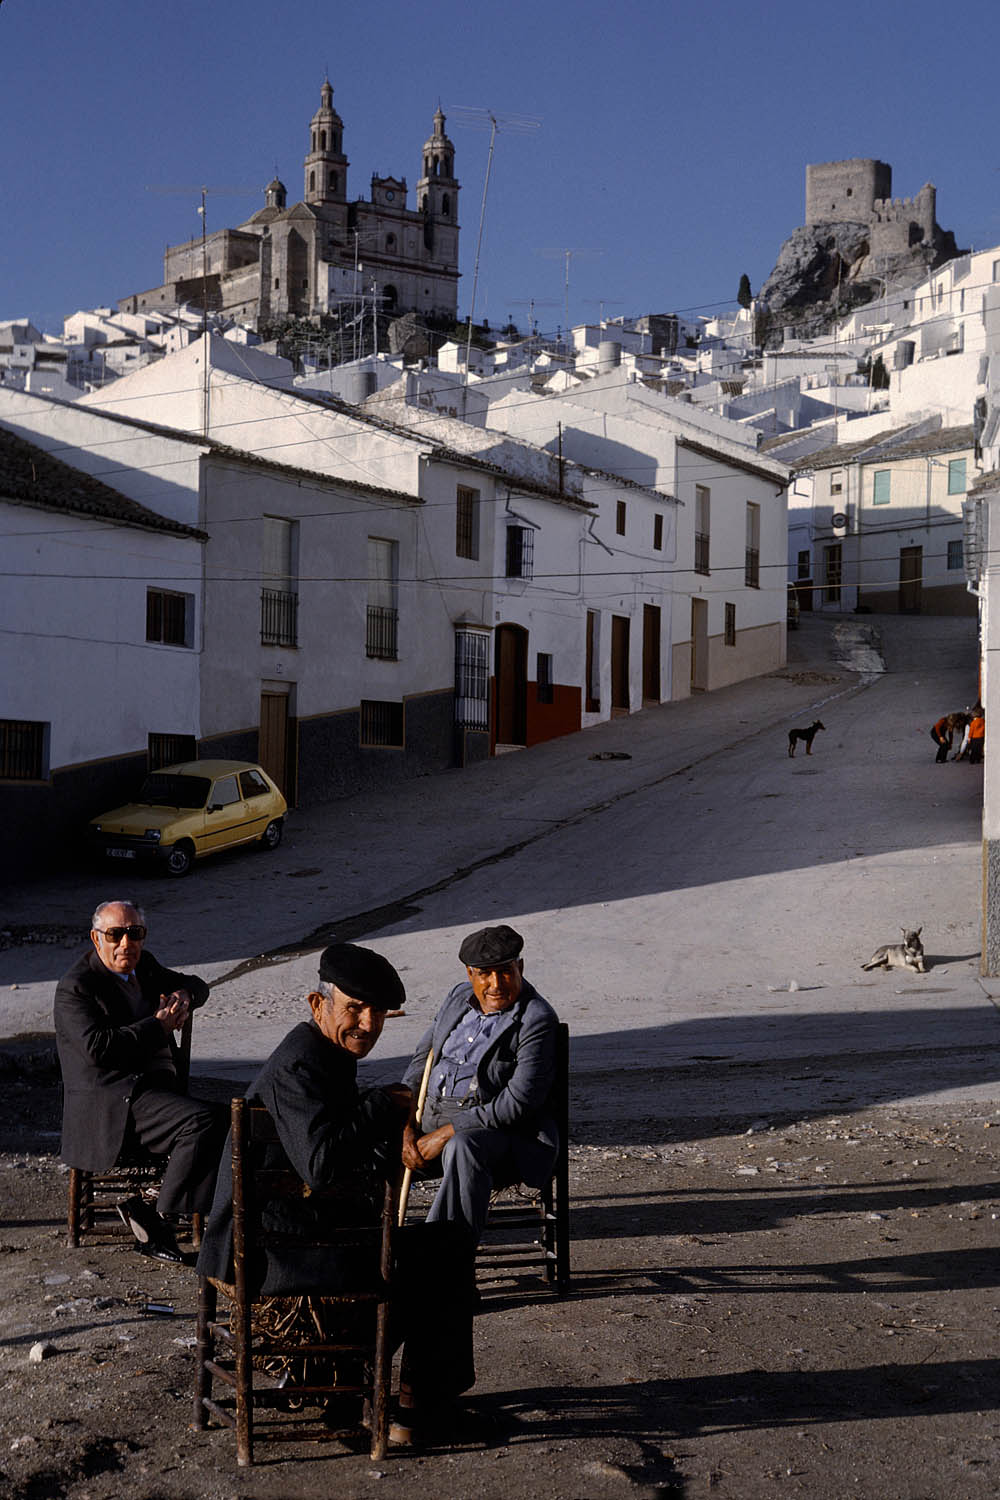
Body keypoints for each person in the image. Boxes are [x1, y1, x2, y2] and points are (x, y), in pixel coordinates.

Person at [196, 943, 476, 1442]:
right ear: (316, 1004)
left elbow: (336, 1154)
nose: (367, 1023)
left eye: (378, 1013)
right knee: (446, 1246)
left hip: (294, 1238)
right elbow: (322, 1165)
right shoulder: (301, 1065)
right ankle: (411, 1408)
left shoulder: (326, 1055)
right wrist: (382, 1103)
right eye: (354, 1008)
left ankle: (353, 1389)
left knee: (432, 1243)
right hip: (269, 1253)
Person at [54, 900, 226, 1262]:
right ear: (96, 938)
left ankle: (155, 1208)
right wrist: (158, 1026)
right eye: (115, 935)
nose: (125, 944)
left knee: (226, 1119)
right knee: (203, 1121)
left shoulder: (144, 967)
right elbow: (99, 1049)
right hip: (113, 1102)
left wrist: (185, 995)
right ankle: (159, 1218)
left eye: (135, 933)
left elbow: (197, 984)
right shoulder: (77, 987)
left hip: (151, 1093)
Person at [401, 924, 559, 1245]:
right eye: (485, 974)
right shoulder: (458, 997)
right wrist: (403, 1124)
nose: (496, 984)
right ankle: (368, 1256)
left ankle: (444, 1257)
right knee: (366, 1140)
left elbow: (518, 1103)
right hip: (428, 1118)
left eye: (505, 972)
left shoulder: (536, 1018)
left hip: (502, 1135)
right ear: (470, 973)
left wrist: (448, 1133)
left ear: (520, 967)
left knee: (463, 1148)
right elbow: (421, 1061)